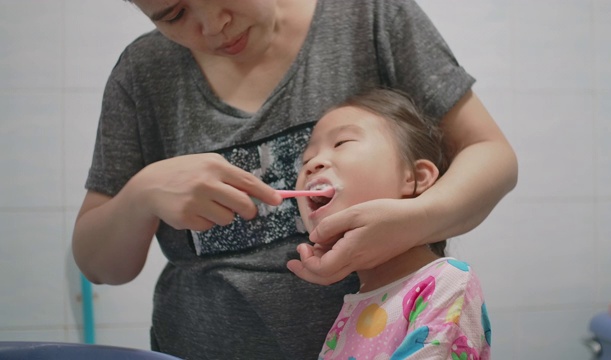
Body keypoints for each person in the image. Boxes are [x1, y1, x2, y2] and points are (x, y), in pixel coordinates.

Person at [72, 0, 516, 359]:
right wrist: (143, 193)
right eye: (173, 14)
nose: (213, 25)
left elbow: (493, 155)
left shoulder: (370, 14)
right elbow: (97, 264)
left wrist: (414, 220)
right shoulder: (142, 72)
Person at [295, 88, 491, 359]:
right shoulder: (356, 303)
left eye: (342, 143)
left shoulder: (445, 283)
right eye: (305, 160)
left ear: (415, 176)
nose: (312, 164)